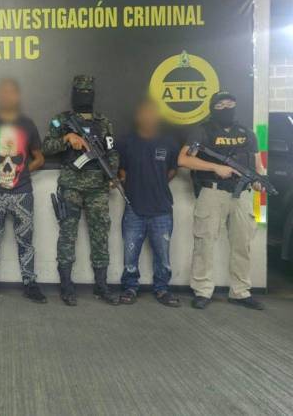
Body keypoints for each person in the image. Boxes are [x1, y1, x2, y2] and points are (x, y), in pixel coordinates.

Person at [178, 90, 265, 310]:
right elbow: (183, 159)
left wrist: (258, 181)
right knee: (204, 243)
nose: (226, 108)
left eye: (229, 104)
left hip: (242, 195)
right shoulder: (202, 131)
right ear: (212, 108)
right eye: (220, 105)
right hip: (212, 192)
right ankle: (202, 290)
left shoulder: (247, 133)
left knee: (242, 245)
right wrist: (215, 167)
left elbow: (258, 167)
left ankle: (240, 292)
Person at [42, 75, 119, 306]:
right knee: (68, 235)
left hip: (98, 188)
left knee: (100, 235)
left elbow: (112, 151)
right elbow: (46, 147)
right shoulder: (61, 121)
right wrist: (67, 138)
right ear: (73, 93)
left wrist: (113, 174)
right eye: (80, 91)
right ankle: (66, 286)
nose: (84, 96)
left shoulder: (104, 122)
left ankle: (101, 286)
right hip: (71, 184)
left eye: (88, 92)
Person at [0, 79, 46, 304]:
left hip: (23, 193)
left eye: (11, 92)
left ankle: (30, 284)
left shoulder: (28, 124)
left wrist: (22, 171)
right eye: (3, 92)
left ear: (17, 96)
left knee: (26, 242)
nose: (7, 96)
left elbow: (39, 158)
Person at [116, 97, 180, 307]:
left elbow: (173, 170)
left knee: (163, 256)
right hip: (134, 208)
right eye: (144, 112)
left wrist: (157, 182)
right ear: (138, 116)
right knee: (130, 254)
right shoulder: (126, 142)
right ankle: (130, 288)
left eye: (152, 112)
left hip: (162, 209)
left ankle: (162, 289)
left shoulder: (169, 142)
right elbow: (121, 170)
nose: (148, 116)